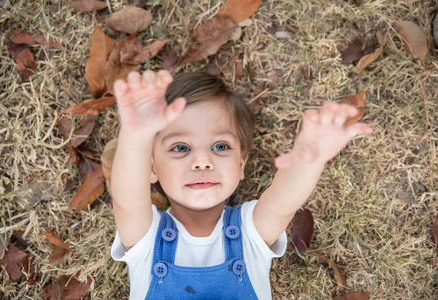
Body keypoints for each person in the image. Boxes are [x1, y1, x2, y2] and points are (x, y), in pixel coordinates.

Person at [110, 70, 372, 299]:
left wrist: (311, 160)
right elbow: (127, 202)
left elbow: (283, 202)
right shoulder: (147, 237)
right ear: (151, 167)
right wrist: (135, 136)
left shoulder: (248, 230)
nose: (202, 161)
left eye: (220, 146)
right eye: (181, 148)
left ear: (240, 164)